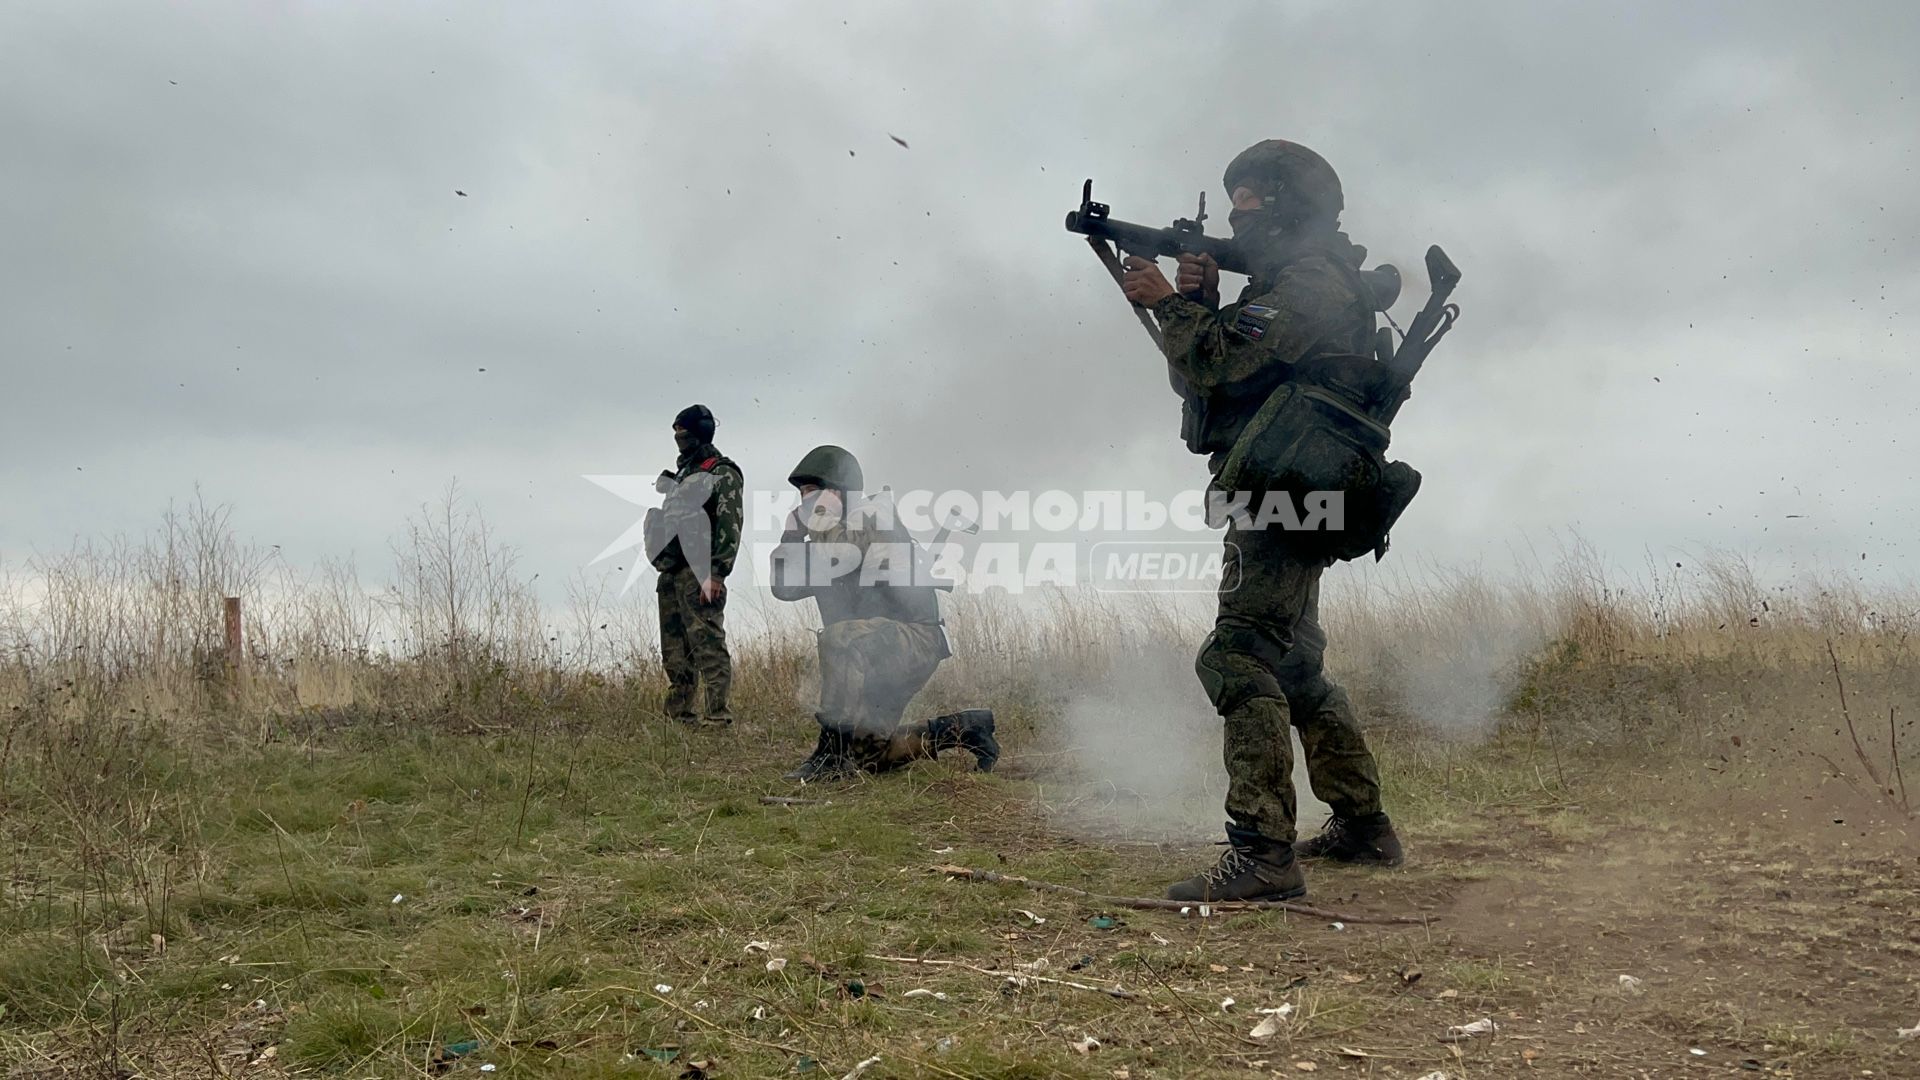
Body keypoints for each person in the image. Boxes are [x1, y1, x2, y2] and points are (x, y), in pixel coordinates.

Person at [1118, 140, 1405, 902]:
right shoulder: (1307, 282)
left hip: (1286, 491)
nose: (1238, 212)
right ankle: (1363, 825)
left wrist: (1168, 303)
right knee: (1297, 667)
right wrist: (1200, 303)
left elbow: (1222, 363)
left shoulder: (1310, 283)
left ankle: (1262, 853)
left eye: (1249, 198)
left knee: (1238, 655)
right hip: (1295, 484)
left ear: (1286, 204)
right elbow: (1217, 378)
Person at [768, 444, 998, 780]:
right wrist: (790, 534)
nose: (805, 504)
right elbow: (783, 588)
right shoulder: (824, 539)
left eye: (812, 494)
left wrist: (820, 519)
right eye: (802, 497)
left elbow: (841, 552)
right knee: (870, 755)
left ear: (840, 493)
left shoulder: (874, 517)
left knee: (839, 638)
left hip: (912, 641)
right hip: (869, 658)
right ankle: (964, 729)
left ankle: (831, 753)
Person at [649, 404, 743, 726]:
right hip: (671, 574)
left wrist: (717, 573)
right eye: (675, 431)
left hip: (700, 573)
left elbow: (730, 524)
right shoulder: (683, 475)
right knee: (675, 652)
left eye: (683, 430)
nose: (678, 436)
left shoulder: (721, 472)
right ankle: (679, 717)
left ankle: (718, 718)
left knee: (708, 645)